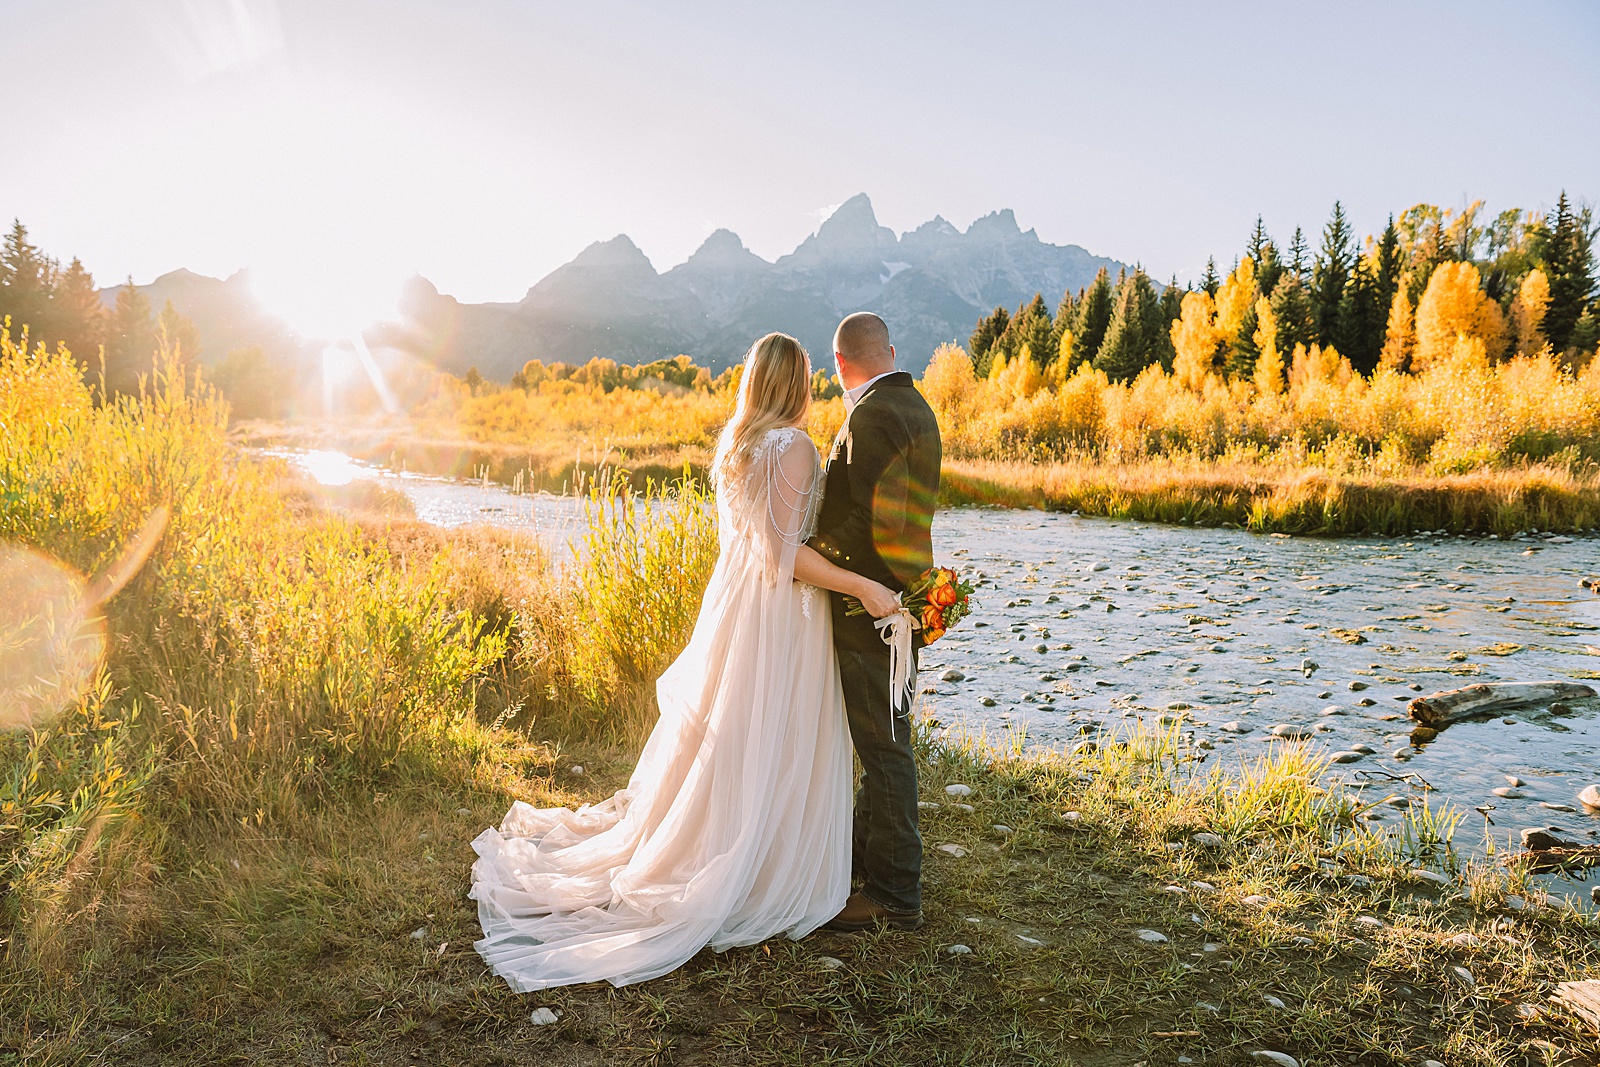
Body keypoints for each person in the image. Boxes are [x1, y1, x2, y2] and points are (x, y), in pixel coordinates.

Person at [469, 332, 901, 991]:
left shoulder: (739, 443)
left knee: (737, 735)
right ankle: (760, 863)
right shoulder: (793, 447)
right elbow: (783, 558)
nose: (814, 388)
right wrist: (863, 584)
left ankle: (731, 839)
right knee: (771, 734)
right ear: (795, 382)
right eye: (808, 377)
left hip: (736, 607)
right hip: (779, 614)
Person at [809, 312, 942, 932]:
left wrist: (806, 554)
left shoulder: (869, 417)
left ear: (838, 364)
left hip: (873, 612)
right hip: (903, 606)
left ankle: (893, 895)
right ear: (890, 350)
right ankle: (870, 866)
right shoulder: (917, 406)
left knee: (884, 751)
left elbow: (866, 523)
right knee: (887, 740)